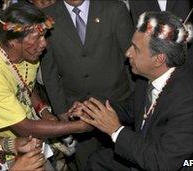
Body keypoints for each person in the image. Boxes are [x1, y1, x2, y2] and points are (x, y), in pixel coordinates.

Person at [74, 11, 193, 170]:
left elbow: (162, 162)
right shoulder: (146, 77)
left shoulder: (190, 100)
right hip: (144, 149)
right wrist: (94, 109)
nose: (127, 53)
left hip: (166, 163)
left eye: (135, 48)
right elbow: (132, 109)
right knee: (97, 161)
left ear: (158, 59)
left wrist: (115, 130)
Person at [0, 2, 91, 143]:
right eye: (37, 38)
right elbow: (24, 128)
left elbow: (24, 86)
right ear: (13, 41)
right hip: (1, 148)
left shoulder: (26, 55)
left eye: (44, 36)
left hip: (30, 140)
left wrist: (43, 110)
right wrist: (78, 126)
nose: (44, 44)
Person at [40, 0, 134, 169]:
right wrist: (61, 111)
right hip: (76, 111)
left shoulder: (114, 8)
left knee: (126, 163)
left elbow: (132, 59)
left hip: (118, 106)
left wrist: (138, 101)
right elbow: (49, 71)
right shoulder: (46, 16)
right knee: (88, 165)